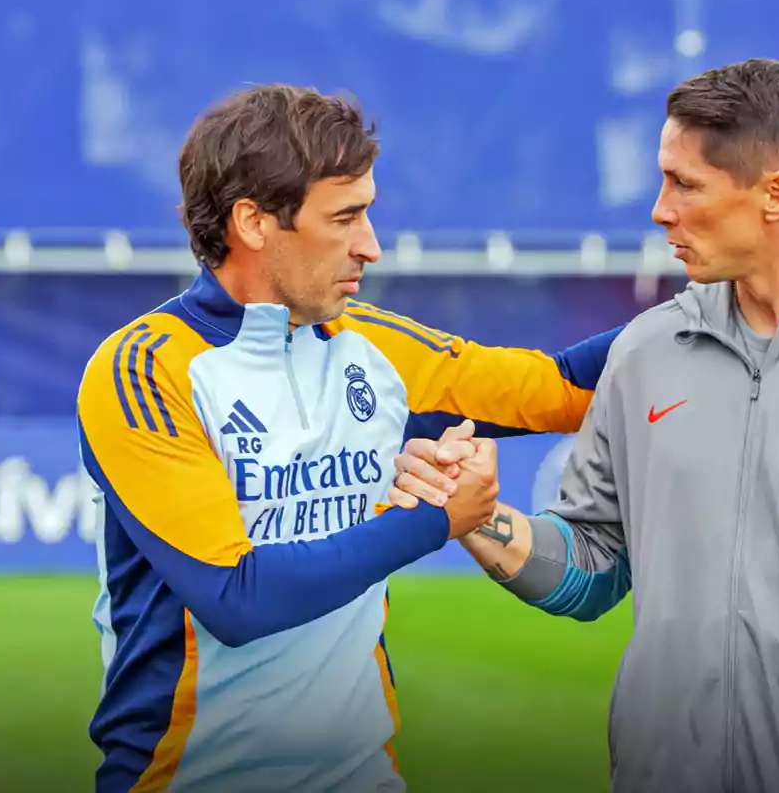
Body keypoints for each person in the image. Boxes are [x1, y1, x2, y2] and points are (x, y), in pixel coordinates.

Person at [390, 59, 779, 793]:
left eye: (685, 184)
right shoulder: (646, 352)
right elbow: (593, 565)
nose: (660, 209)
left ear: (777, 194)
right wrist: (478, 518)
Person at [75, 84, 620, 793]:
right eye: (346, 217)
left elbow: (566, 389)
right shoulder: (143, 370)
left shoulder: (373, 347)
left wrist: (725, 293)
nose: (372, 244)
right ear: (254, 222)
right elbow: (237, 598)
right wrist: (434, 520)